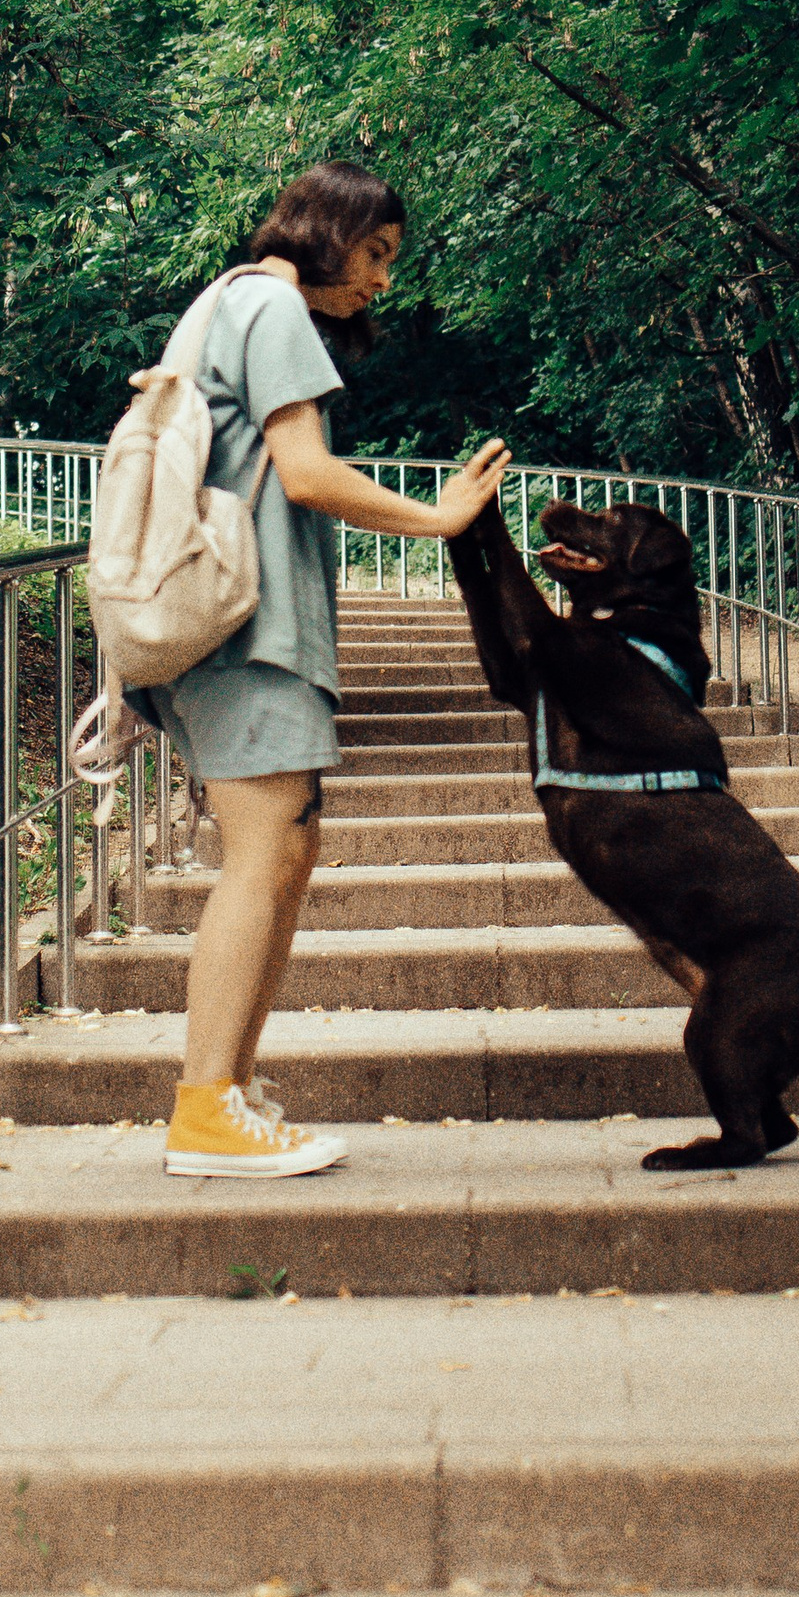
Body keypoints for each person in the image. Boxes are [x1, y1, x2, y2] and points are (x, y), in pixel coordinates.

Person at [127, 162, 510, 1179]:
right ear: (326, 228)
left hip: (239, 631)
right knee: (263, 855)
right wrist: (440, 517)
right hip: (248, 632)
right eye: (375, 252)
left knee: (286, 850)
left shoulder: (227, 304)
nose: (382, 278)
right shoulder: (271, 303)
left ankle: (230, 1090)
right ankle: (206, 1109)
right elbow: (304, 473)